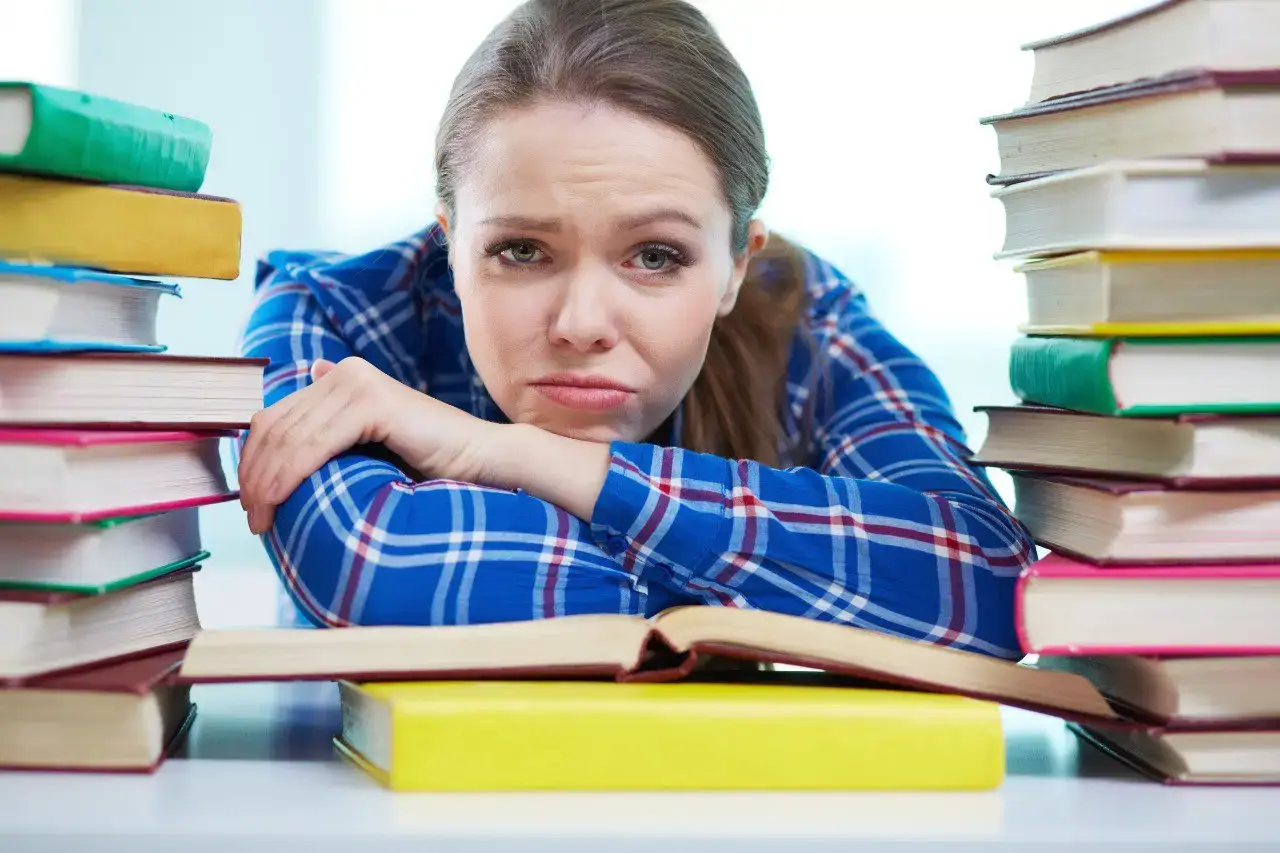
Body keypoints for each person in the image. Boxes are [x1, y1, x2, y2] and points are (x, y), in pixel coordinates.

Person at [235, 0, 1035, 658]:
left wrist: (508, 453)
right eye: (520, 250)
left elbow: (990, 585)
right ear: (450, 243)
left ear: (734, 264)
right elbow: (376, 567)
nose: (581, 324)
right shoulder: (328, 314)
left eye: (655, 255)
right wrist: (790, 593)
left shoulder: (807, 323)